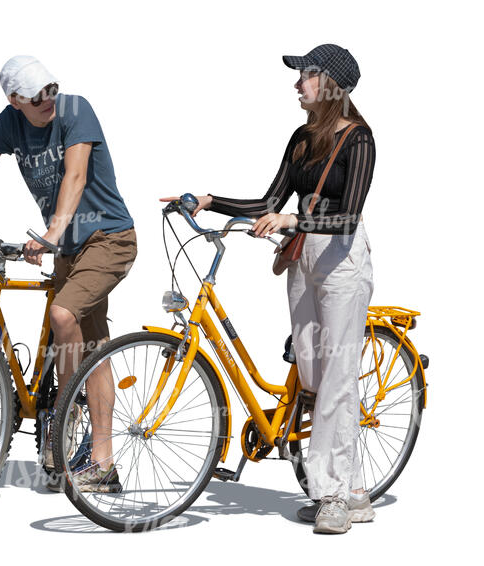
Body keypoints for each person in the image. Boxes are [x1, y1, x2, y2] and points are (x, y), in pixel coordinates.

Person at [161, 44, 376, 534]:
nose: (297, 84)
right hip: (304, 261)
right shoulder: (302, 138)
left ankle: (333, 495)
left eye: (306, 75)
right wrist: (209, 201)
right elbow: (268, 200)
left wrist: (292, 218)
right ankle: (355, 489)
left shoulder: (359, 140)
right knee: (315, 372)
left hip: (343, 262)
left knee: (339, 376)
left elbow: (348, 215)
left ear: (332, 84)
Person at [0, 55, 137, 492]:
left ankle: (64, 412)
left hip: (109, 239)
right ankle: (103, 465)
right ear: (14, 99)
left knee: (62, 316)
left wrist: (53, 231)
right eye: (37, 96)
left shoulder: (75, 110)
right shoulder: (9, 123)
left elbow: (75, 177)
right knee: (91, 343)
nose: (48, 100)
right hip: (67, 251)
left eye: (51, 89)